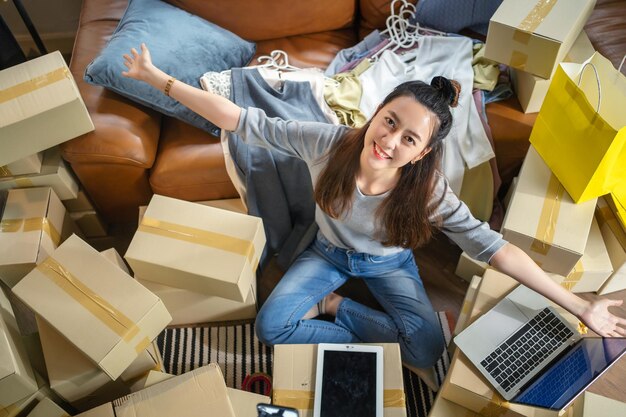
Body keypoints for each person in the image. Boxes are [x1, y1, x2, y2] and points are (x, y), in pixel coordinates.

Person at [122, 43, 626, 369]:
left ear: (423, 152)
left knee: (427, 352)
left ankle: (338, 307)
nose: (389, 142)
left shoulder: (427, 191)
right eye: (388, 122)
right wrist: (156, 77)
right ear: (376, 114)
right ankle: (334, 305)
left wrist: (581, 305)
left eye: (409, 139)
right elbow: (240, 119)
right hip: (325, 252)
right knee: (271, 328)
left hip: (388, 264)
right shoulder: (328, 141)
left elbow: (495, 249)